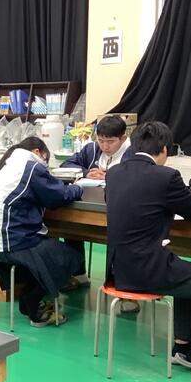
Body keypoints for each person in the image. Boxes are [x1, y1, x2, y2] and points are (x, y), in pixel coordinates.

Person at [105, 121, 191, 379]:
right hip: (149, 271)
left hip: (118, 270)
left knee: (189, 273)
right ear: (165, 149)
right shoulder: (166, 176)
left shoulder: (114, 173)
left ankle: (182, 347)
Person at [0, 137, 83, 327]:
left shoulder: (2, 167)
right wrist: (78, 188)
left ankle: (31, 301)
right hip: (15, 243)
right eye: (46, 159)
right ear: (37, 152)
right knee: (70, 258)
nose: (46, 164)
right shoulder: (31, 167)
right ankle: (32, 303)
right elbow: (59, 196)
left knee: (45, 250)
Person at [61, 115, 134, 291]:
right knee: (72, 226)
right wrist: (86, 172)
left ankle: (118, 284)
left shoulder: (132, 153)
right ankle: (78, 275)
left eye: (110, 142)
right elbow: (66, 165)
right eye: (101, 141)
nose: (105, 146)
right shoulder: (92, 149)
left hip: (121, 207)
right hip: (91, 201)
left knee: (116, 237)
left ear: (123, 138)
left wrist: (110, 176)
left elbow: (137, 176)